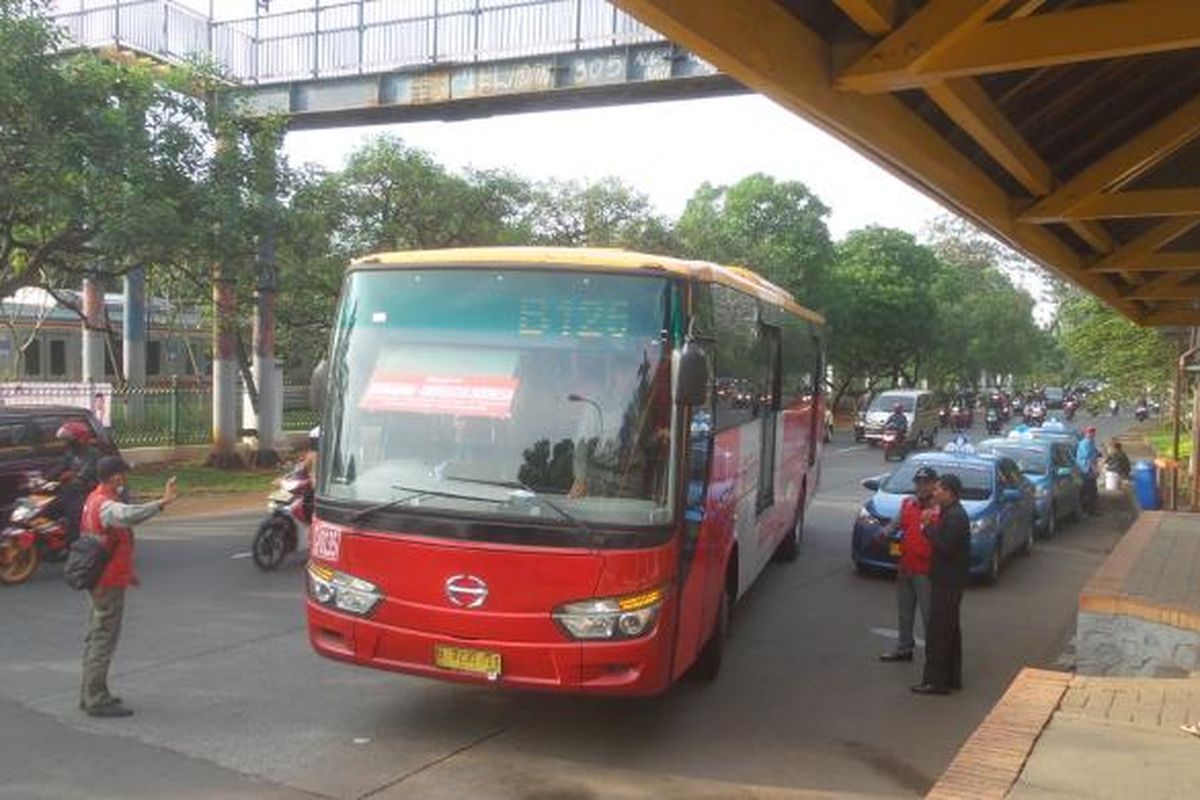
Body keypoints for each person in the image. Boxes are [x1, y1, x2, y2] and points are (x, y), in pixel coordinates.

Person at [79, 457, 178, 718]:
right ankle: (96, 699)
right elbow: (127, 516)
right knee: (103, 639)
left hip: (99, 578)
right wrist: (161, 503)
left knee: (94, 636)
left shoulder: (92, 499)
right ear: (114, 477)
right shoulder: (105, 505)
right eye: (122, 474)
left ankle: (90, 693)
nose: (125, 478)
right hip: (107, 581)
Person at [912, 473, 970, 695]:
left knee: (939, 632)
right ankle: (951, 676)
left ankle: (935, 681)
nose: (934, 493)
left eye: (938, 490)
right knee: (950, 630)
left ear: (949, 493)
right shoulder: (949, 513)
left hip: (948, 582)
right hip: (947, 580)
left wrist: (927, 527)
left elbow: (945, 546)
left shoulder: (955, 516)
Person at [878, 465, 939, 663]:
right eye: (918, 483)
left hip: (927, 571)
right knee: (904, 612)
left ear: (934, 485)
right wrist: (883, 533)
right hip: (906, 567)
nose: (921, 487)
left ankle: (934, 655)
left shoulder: (939, 510)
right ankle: (904, 648)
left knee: (929, 616)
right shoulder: (907, 504)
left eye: (926, 483)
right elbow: (895, 524)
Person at [53, 421, 102, 543]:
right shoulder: (71, 453)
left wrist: (74, 477)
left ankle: (74, 542)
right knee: (50, 506)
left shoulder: (93, 454)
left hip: (87, 493)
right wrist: (43, 479)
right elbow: (59, 467)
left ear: (80, 439)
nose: (66, 443)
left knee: (73, 512)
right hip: (71, 491)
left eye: (69, 440)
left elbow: (85, 474)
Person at [1076, 426, 1102, 514]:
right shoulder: (1085, 443)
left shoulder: (1091, 442)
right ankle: (1089, 510)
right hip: (1086, 470)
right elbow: (1087, 458)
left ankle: (1088, 509)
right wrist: (1094, 469)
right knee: (1090, 490)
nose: (1092, 434)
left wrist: (1099, 454)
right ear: (1086, 433)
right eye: (1090, 432)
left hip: (1088, 470)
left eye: (1093, 432)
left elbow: (1095, 453)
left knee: (1089, 490)